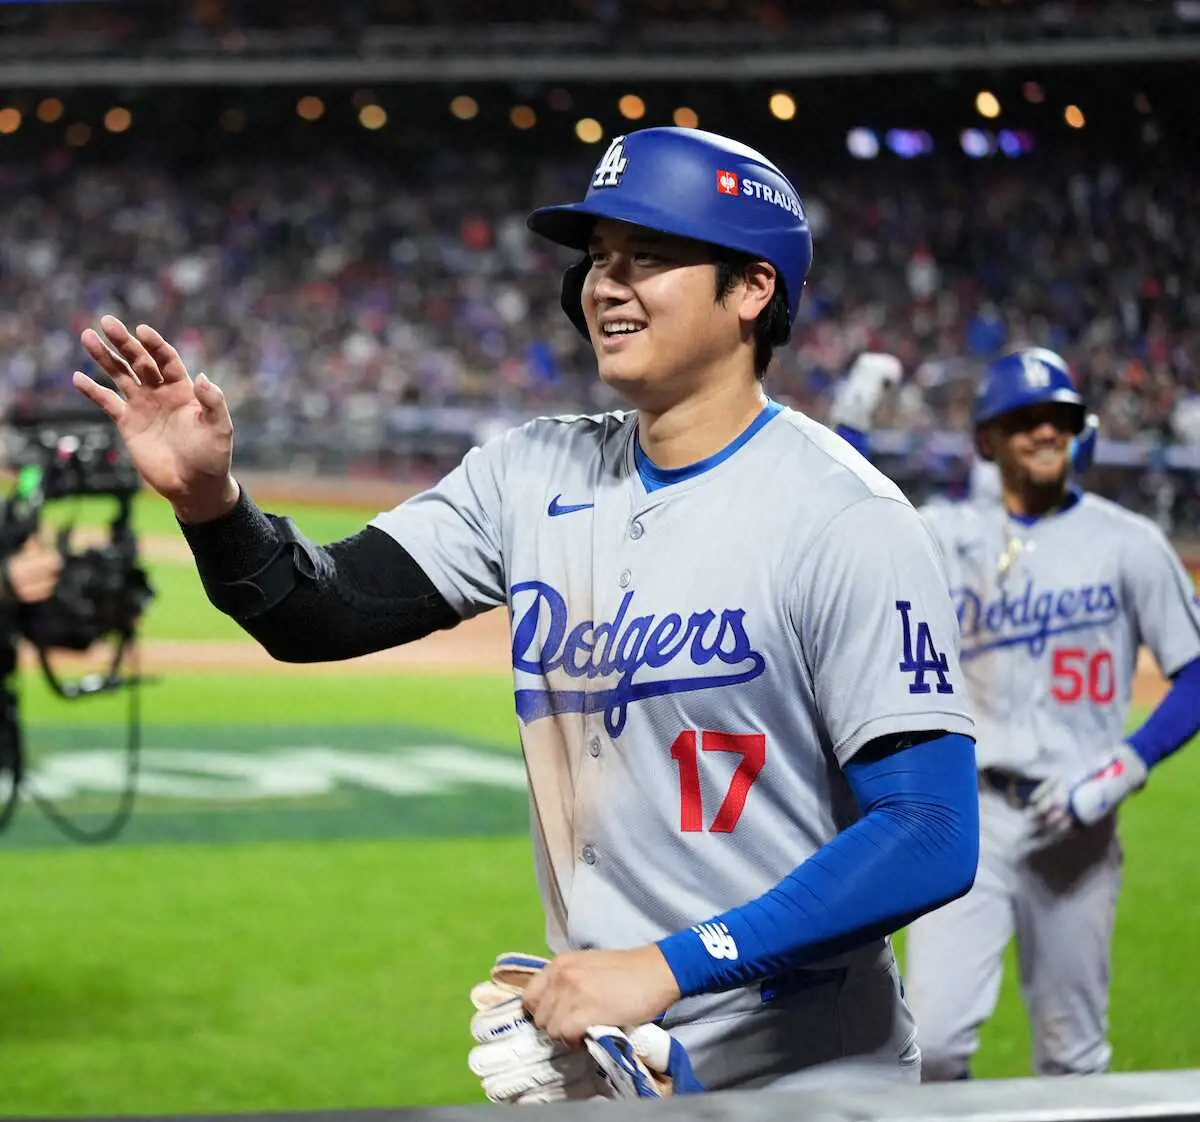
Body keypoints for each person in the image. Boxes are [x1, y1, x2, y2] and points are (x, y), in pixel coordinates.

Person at [72, 126, 980, 1094]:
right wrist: (211, 503)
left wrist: (666, 966)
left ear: (754, 288)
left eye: (653, 257)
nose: (606, 285)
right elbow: (315, 613)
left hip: (807, 1076)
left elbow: (928, 831)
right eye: (598, 259)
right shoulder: (530, 475)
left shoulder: (843, 516)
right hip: (610, 1054)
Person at [834, 346, 1200, 1080]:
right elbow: (850, 512)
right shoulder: (946, 531)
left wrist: (1127, 765)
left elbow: (1193, 671)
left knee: (1073, 1057)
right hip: (967, 817)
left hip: (1081, 826)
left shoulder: (1129, 542)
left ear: (1079, 430)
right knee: (931, 1048)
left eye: (1057, 418)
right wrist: (853, 418)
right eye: (1022, 419)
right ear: (987, 441)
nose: (1042, 431)